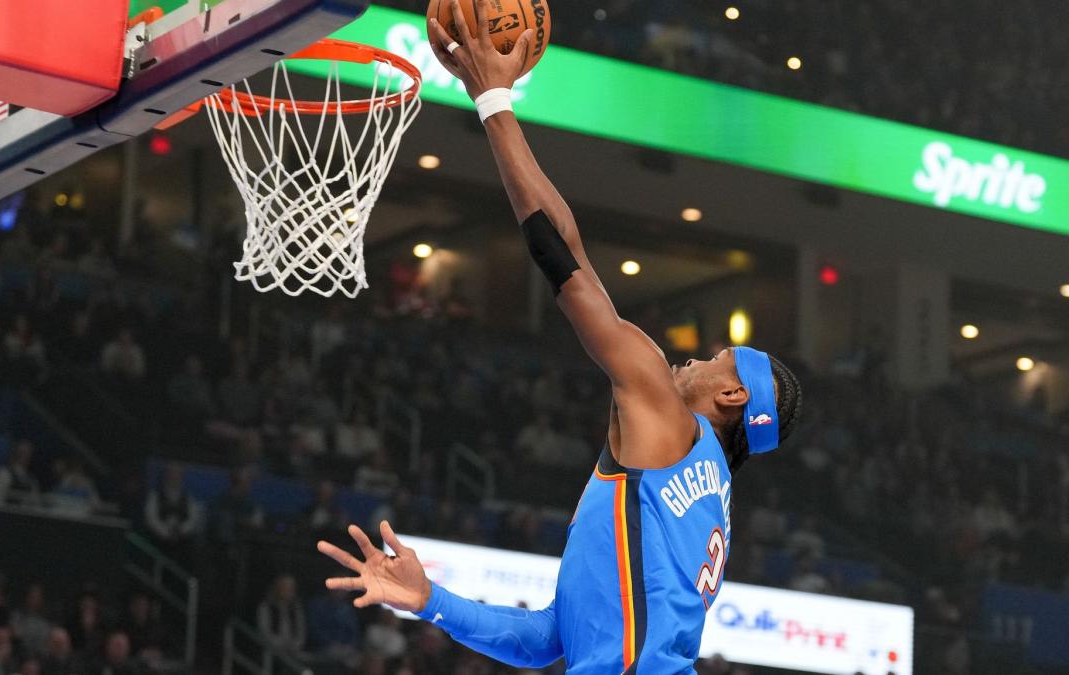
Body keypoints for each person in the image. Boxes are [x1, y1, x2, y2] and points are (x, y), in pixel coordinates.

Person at [318, 5, 803, 673]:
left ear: (732, 394)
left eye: (716, 358)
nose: (694, 357)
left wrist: (493, 100)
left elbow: (563, 257)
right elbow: (549, 637)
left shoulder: (666, 415)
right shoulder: (700, 495)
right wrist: (431, 602)